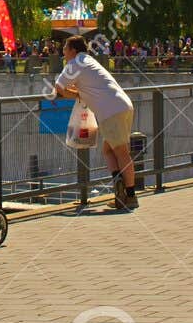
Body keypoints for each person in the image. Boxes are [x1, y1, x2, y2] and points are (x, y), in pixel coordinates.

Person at [54, 34, 138, 210]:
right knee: (108, 150)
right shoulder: (88, 60)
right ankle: (120, 188)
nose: (63, 52)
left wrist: (75, 95)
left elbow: (58, 88)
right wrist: (80, 93)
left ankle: (130, 196)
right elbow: (89, 85)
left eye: (65, 48)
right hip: (123, 105)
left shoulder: (74, 63)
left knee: (122, 153)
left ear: (73, 50)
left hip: (110, 111)